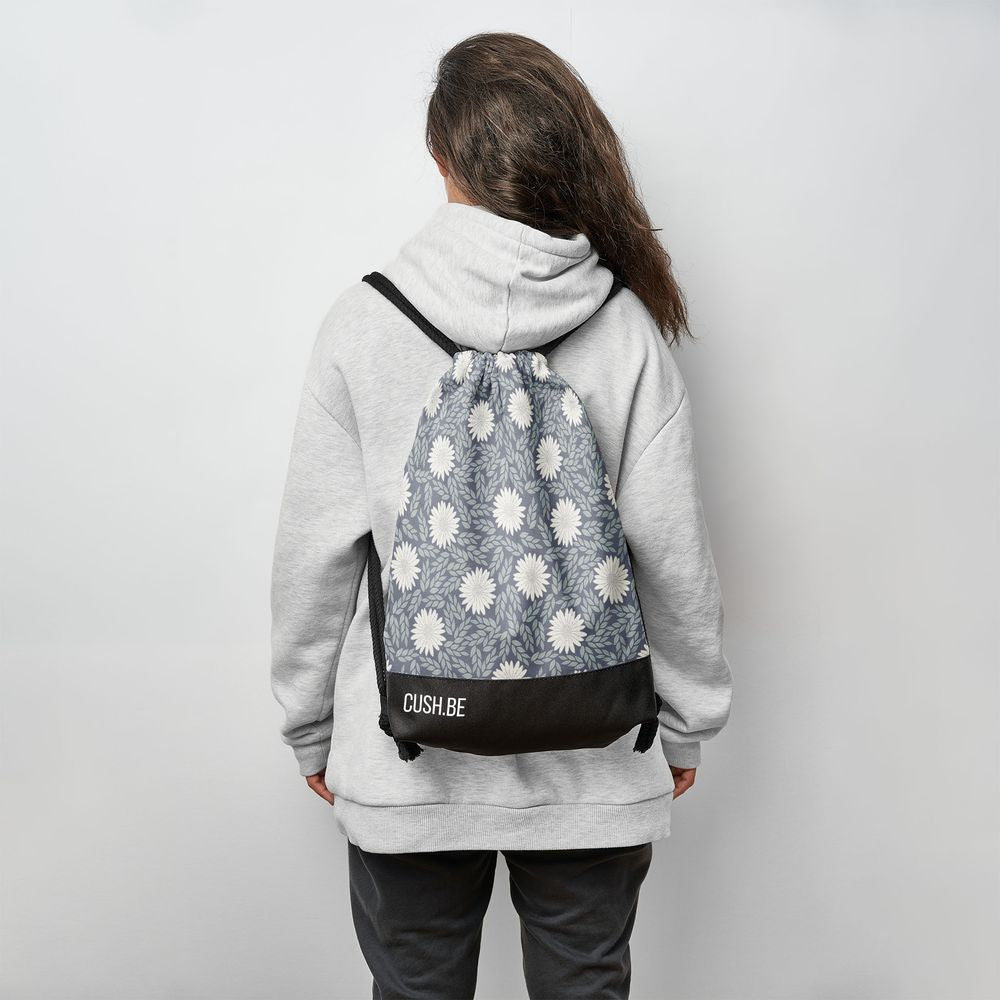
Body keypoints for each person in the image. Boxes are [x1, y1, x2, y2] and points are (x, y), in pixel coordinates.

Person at [270, 31, 733, 1000]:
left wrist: (309, 724)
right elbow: (673, 553)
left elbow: (315, 556)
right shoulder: (625, 327)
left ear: (440, 156)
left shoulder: (363, 323)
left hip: (406, 757)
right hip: (596, 765)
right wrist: (686, 721)